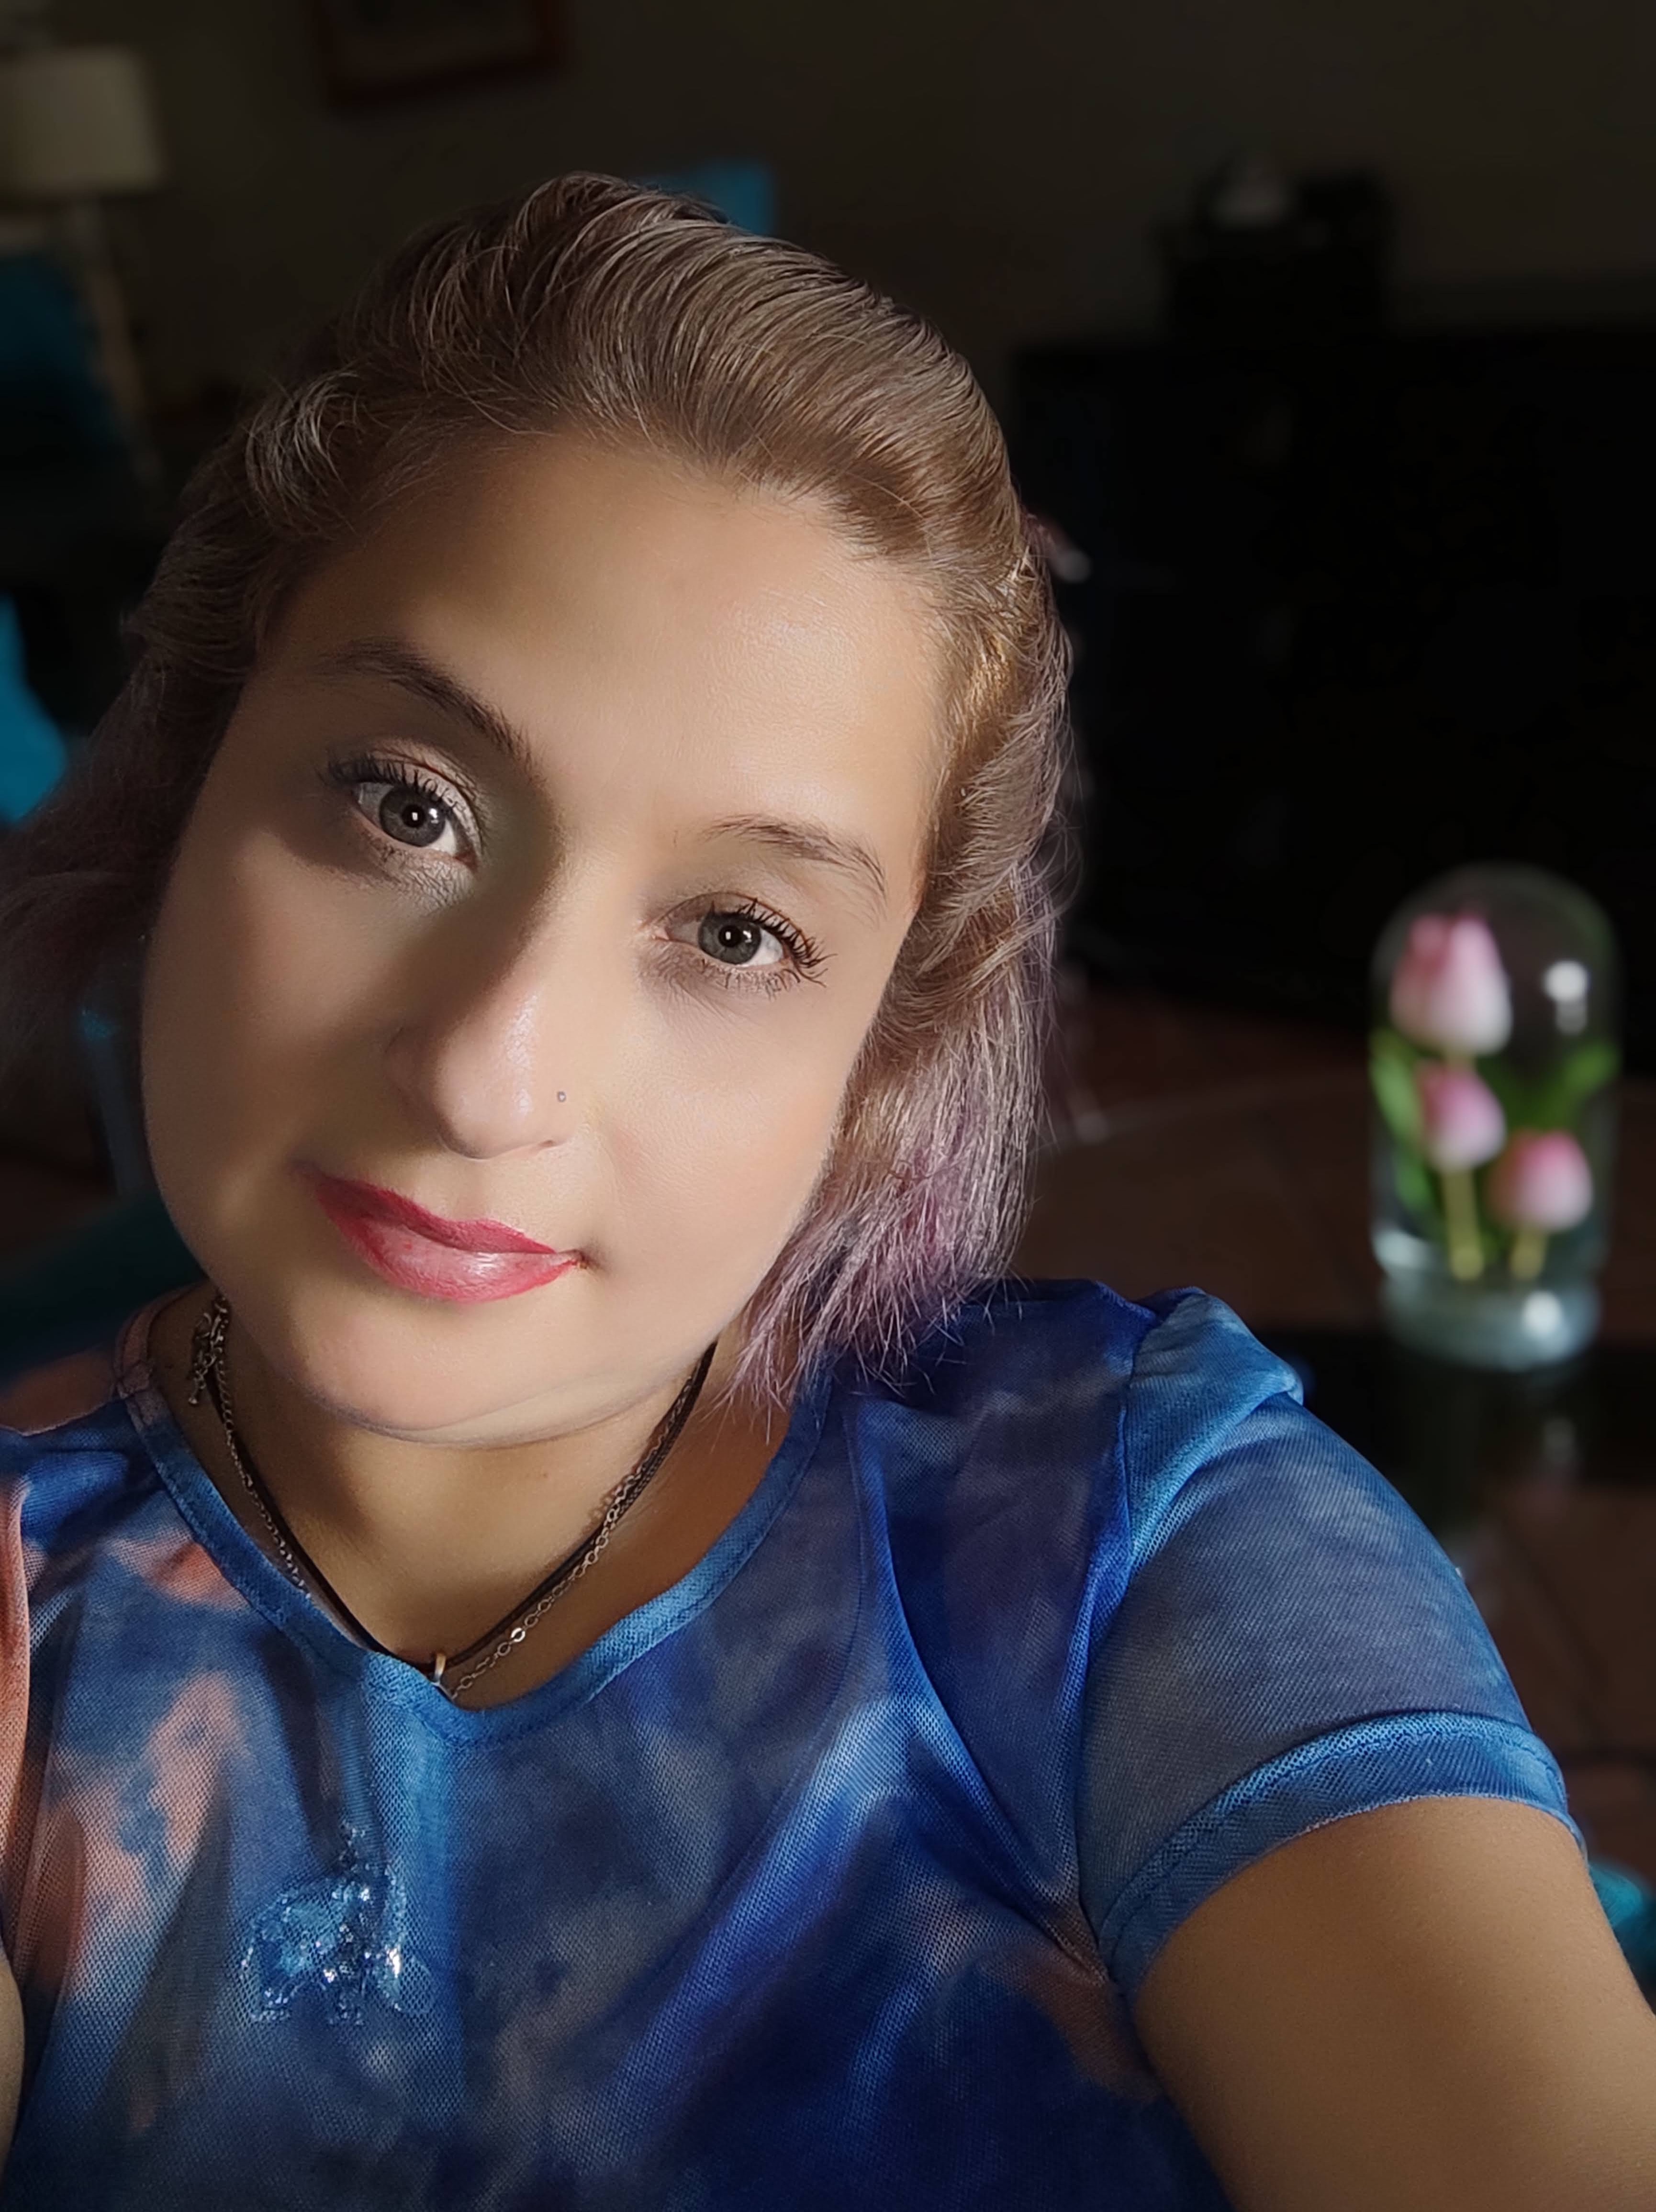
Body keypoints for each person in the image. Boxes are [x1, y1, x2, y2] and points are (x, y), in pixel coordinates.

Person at [0, 175, 1651, 2212]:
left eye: (735, 934)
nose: (489, 1073)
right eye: (407, 804)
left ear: (879, 1056)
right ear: (191, 769)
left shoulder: (1120, 1544)